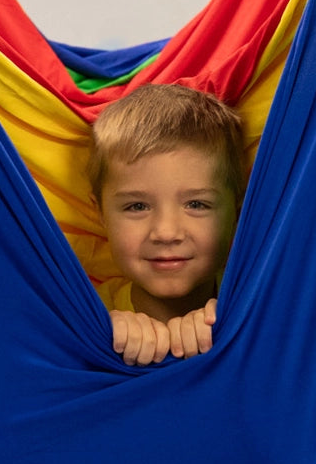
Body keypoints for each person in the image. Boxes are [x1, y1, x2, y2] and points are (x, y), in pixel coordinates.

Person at [88, 84, 244, 367]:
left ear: (238, 209)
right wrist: (100, 334)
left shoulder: (253, 304)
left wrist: (227, 324)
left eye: (196, 204)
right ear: (100, 213)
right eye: (137, 206)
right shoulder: (85, 312)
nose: (166, 233)